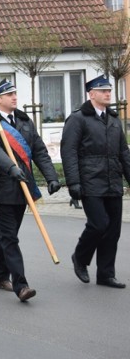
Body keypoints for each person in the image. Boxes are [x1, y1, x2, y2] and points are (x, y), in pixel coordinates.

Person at [0, 79, 61, 301]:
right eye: (9, 94)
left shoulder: (24, 120)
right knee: (10, 237)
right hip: (1, 188)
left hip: (23, 188)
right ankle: (21, 285)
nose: (14, 97)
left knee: (8, 236)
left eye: (15, 93)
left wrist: (51, 177)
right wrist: (11, 167)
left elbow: (39, 150)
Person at [61, 75, 130, 289]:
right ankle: (80, 258)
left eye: (109, 90)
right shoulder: (78, 118)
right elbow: (69, 152)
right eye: (103, 90)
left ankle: (106, 274)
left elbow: (124, 153)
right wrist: (74, 183)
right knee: (99, 224)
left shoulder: (114, 119)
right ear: (91, 94)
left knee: (113, 230)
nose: (108, 93)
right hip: (90, 182)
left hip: (112, 182)